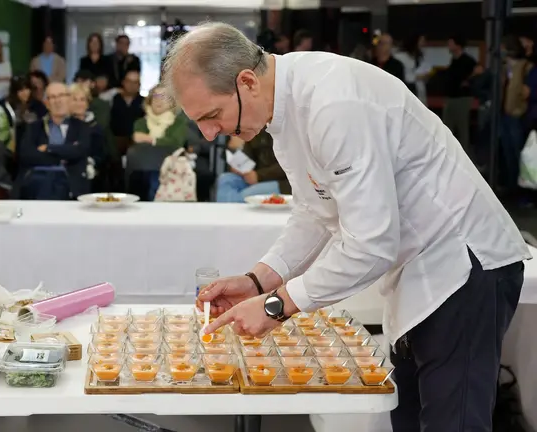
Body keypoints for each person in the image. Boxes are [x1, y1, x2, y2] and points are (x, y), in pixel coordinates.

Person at [163, 22, 529, 432]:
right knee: (408, 418)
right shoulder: (281, 107)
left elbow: (371, 244)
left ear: (246, 81)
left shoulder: (331, 102)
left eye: (212, 116)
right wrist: (257, 280)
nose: (209, 133)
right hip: (421, 270)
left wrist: (277, 305)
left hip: (462, 265)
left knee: (452, 423)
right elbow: (314, 213)